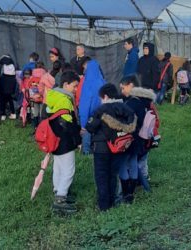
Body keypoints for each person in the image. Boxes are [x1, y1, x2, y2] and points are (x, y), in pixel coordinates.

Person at [85, 84, 137, 211]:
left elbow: (90, 127)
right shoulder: (126, 108)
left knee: (102, 176)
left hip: (101, 148)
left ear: (106, 96)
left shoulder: (101, 110)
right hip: (119, 147)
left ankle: (104, 205)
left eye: (101, 98)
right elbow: (133, 126)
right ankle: (113, 201)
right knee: (113, 175)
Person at [46, 71, 81, 214]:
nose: (75, 89)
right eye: (74, 86)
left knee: (58, 167)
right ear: (66, 85)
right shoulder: (65, 100)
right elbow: (67, 124)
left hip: (54, 138)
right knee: (68, 170)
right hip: (65, 141)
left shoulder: (53, 96)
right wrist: (78, 138)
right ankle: (60, 199)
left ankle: (58, 190)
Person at [119, 75, 156, 202]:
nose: (122, 91)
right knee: (134, 163)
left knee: (123, 164)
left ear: (130, 85)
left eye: (123, 88)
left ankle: (127, 193)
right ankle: (134, 189)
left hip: (130, 137)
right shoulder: (145, 100)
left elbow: (127, 120)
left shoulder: (133, 102)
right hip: (141, 138)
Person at [79, 60, 105, 155]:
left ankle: (86, 151)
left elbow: (85, 104)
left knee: (87, 131)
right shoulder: (103, 81)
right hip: (101, 113)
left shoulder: (87, 83)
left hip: (90, 114)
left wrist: (83, 123)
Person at [0, 55, 18, 121]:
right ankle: (13, 113)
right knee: (10, 99)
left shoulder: (1, 63)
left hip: (3, 83)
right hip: (11, 84)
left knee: (2, 99)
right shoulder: (12, 64)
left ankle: (3, 114)